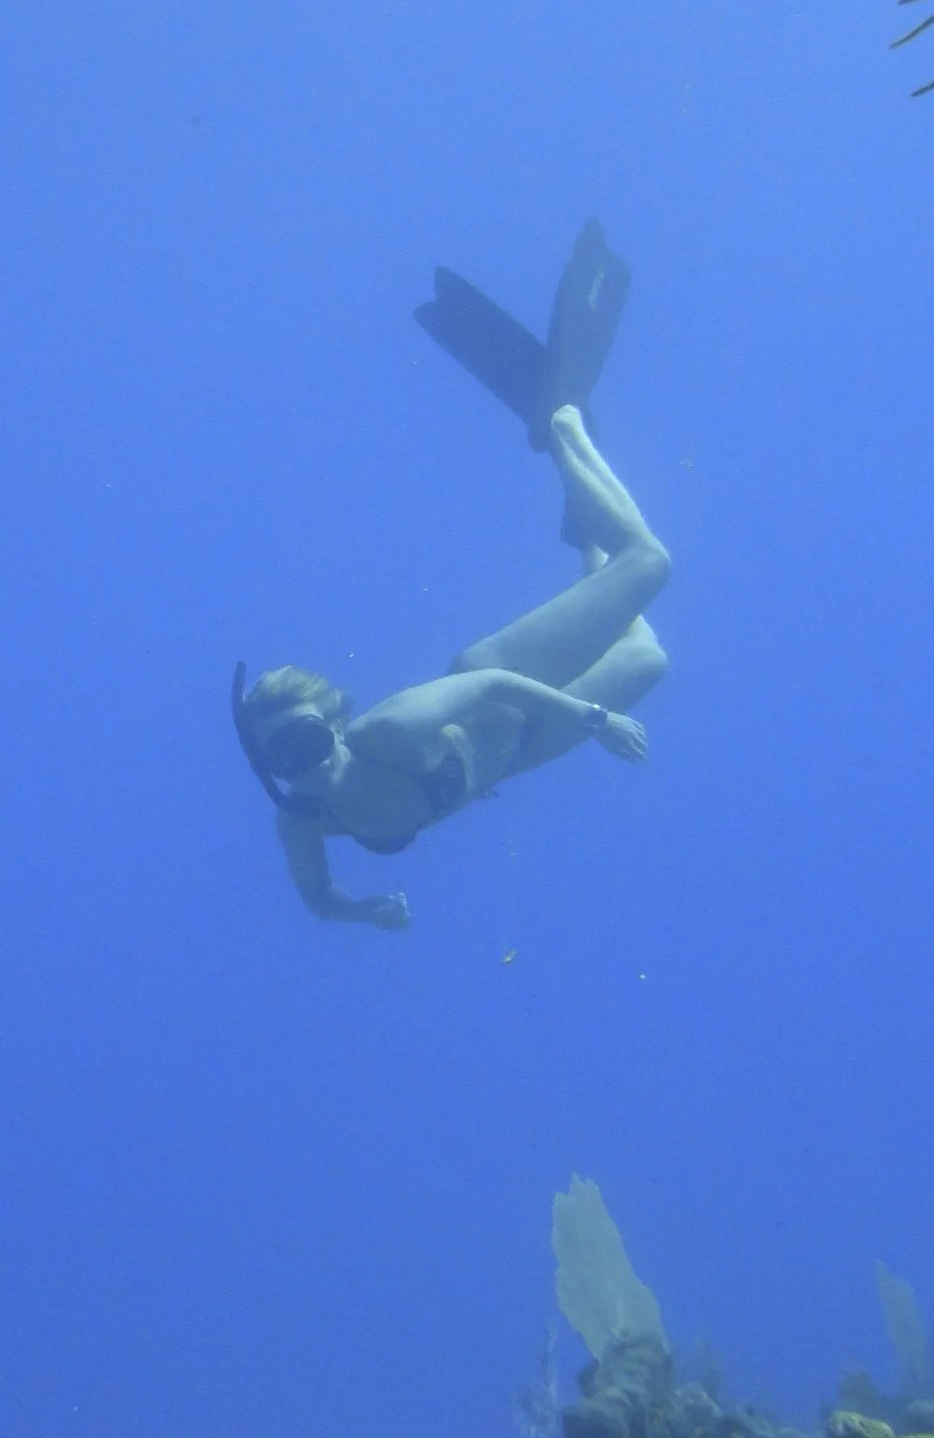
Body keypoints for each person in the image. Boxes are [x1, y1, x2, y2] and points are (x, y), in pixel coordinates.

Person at [233, 225, 668, 930]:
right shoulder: (306, 823)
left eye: (305, 742)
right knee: (650, 653)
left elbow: (494, 685)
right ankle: (585, 525)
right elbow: (314, 896)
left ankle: (561, 426)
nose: (299, 763)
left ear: (336, 727)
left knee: (650, 565)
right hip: (518, 752)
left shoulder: (390, 729)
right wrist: (367, 911)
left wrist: (597, 718)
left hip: (502, 684)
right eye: (282, 756)